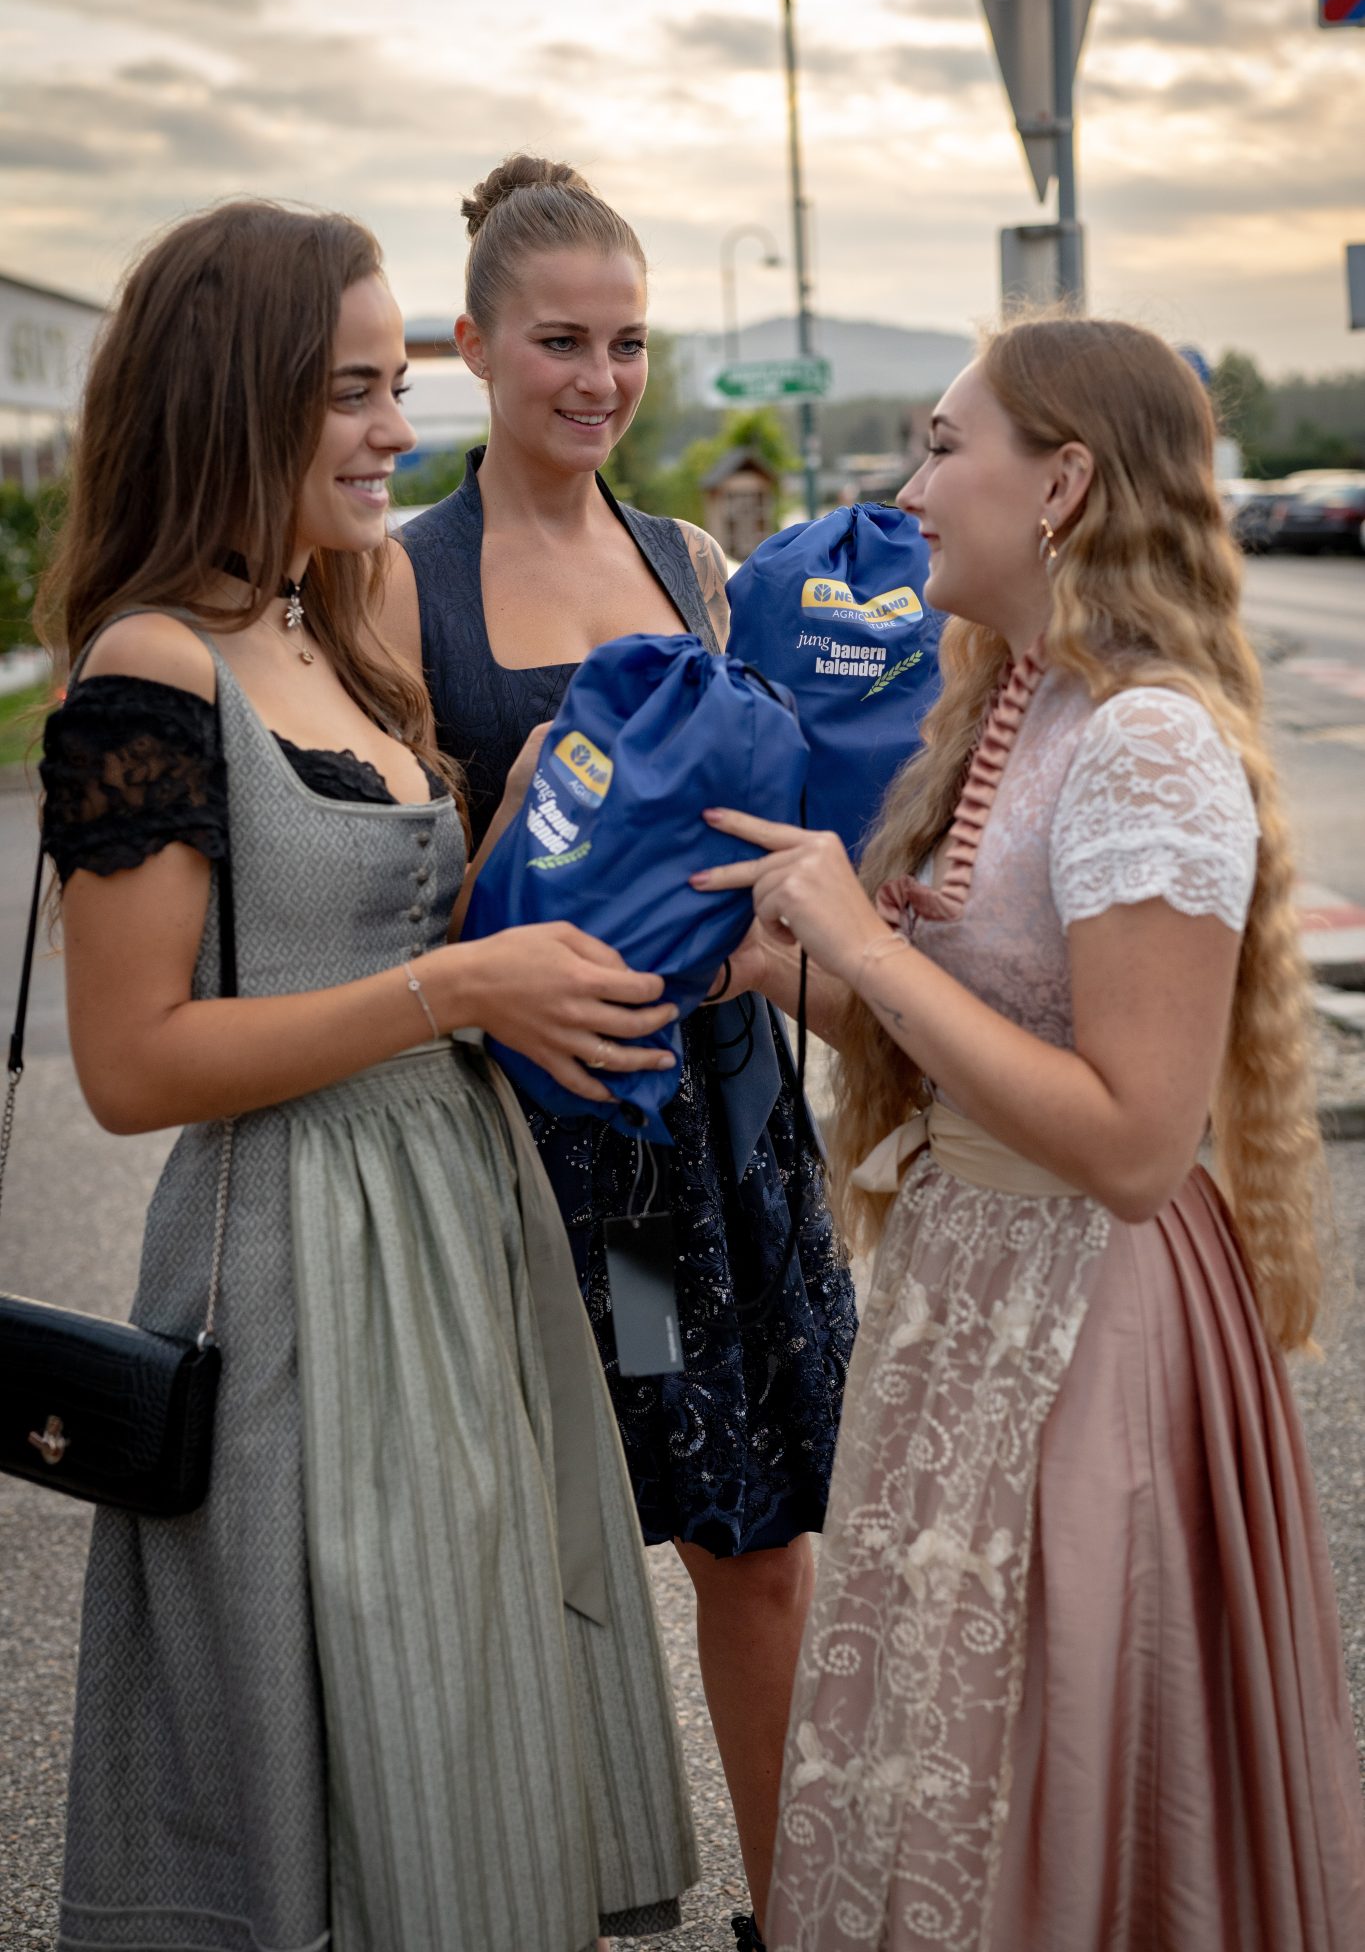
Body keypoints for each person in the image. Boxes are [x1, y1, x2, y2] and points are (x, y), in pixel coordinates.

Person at [37, 199, 697, 1952]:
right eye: (350, 391)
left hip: (457, 1230)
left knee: (469, 1699)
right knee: (348, 1723)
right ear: (228, 396)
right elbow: (132, 1064)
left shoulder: (334, 628)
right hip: (303, 1269)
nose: (397, 430)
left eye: (395, 384)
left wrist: (544, 828)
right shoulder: (147, 667)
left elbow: (399, 926)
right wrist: (453, 988)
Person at [694, 316, 1365, 1950]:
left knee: (1044, 1764)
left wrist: (861, 949)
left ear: (1060, 483)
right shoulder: (1019, 702)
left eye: (941, 447)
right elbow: (977, 1047)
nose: (907, 490)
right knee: (955, 1754)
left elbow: (1133, 1143)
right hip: (974, 1287)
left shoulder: (1142, 738)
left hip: (1088, 1320)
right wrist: (774, 962)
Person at [377, 154, 857, 1945]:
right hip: (518, 1147)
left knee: (752, 1539)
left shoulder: (691, 565)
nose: (599, 380)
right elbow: (389, 913)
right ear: (471, 346)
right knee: (521, 1555)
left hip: (692, 1146)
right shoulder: (394, 582)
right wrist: (512, 823)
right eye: (560, 342)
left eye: (628, 343)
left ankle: (787, 1915)